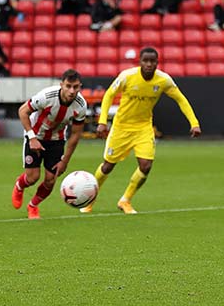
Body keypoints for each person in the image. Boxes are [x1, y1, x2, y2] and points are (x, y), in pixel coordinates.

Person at [80, 47, 201, 215]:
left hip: (143, 128)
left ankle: (125, 200)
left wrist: (194, 123)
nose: (149, 64)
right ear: (140, 62)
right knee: (108, 166)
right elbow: (108, 95)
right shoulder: (127, 76)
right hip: (121, 127)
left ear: (157, 63)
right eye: (146, 61)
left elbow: (181, 99)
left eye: (153, 61)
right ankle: (90, 200)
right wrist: (102, 121)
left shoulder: (163, 80)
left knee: (146, 166)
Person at [11, 69, 87, 219]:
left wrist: (65, 160)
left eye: (76, 87)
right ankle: (20, 186)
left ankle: (33, 205)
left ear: (80, 86)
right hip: (36, 135)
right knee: (32, 178)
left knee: (51, 180)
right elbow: (22, 111)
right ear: (61, 85)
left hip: (56, 140)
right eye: (68, 86)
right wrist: (32, 138)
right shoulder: (46, 96)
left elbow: (76, 134)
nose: (72, 91)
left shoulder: (81, 105)